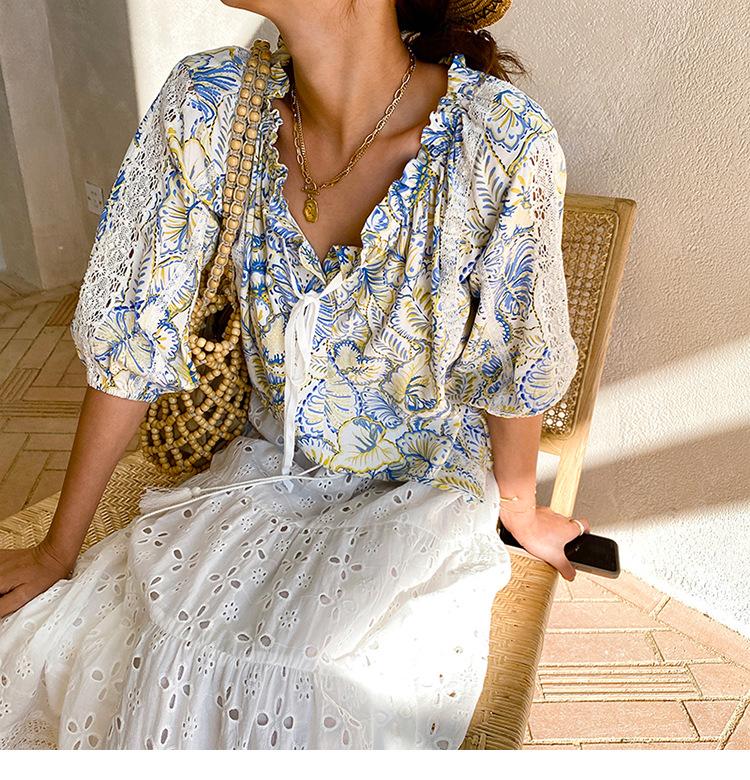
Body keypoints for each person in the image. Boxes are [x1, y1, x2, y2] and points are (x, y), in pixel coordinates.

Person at [0, 0, 587, 750]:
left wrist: (518, 507)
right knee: (129, 657)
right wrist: (59, 549)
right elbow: (133, 334)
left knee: (305, 687)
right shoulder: (209, 105)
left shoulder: (500, 141)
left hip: (418, 492)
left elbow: (514, 356)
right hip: (258, 474)